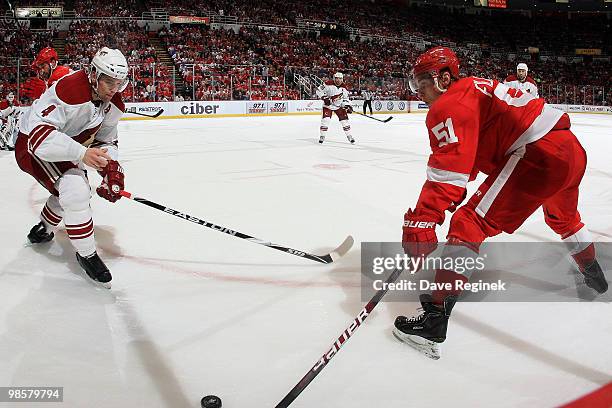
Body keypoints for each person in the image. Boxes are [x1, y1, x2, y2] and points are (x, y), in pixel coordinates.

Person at [393, 47, 607, 359]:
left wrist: (424, 219)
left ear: (442, 78)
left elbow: (449, 174)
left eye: (420, 84)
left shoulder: (449, 103)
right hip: (570, 150)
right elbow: (476, 156)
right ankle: (595, 275)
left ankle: (433, 321)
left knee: (469, 223)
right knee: (564, 219)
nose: (418, 94)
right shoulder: (475, 88)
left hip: (538, 154)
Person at [15, 47, 129, 288]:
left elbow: (107, 140)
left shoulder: (114, 103)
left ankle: (44, 228)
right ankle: (86, 253)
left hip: (64, 145)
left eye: (119, 83)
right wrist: (82, 153)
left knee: (70, 192)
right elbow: (39, 138)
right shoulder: (69, 91)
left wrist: (112, 168)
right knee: (76, 190)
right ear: (93, 74)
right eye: (108, 82)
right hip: (32, 145)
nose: (113, 89)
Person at [315, 72, 354, 144]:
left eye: (340, 79)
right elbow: (318, 90)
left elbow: (345, 98)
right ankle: (322, 136)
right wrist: (324, 98)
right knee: (325, 120)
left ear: (342, 79)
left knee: (344, 121)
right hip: (328, 106)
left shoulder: (344, 88)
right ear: (334, 78)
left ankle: (349, 136)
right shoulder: (327, 83)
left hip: (339, 106)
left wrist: (347, 106)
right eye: (336, 78)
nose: (338, 80)